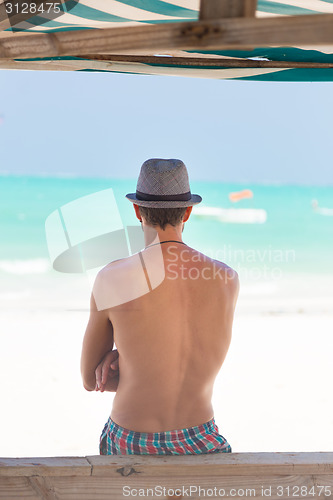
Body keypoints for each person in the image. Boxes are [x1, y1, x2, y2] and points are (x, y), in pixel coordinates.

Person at [80, 158, 239, 455]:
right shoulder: (226, 278)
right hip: (202, 440)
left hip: (131, 441)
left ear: (137, 211)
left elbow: (91, 380)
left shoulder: (111, 278)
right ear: (188, 212)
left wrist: (126, 360)